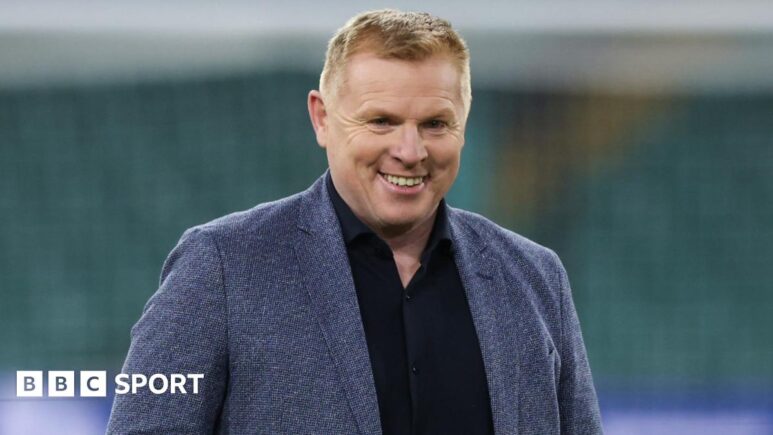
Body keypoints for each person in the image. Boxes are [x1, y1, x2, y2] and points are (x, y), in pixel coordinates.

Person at [107, 9, 602, 435]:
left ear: (463, 123)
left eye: (435, 124)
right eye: (381, 121)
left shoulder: (536, 277)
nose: (410, 151)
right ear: (322, 118)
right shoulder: (221, 266)